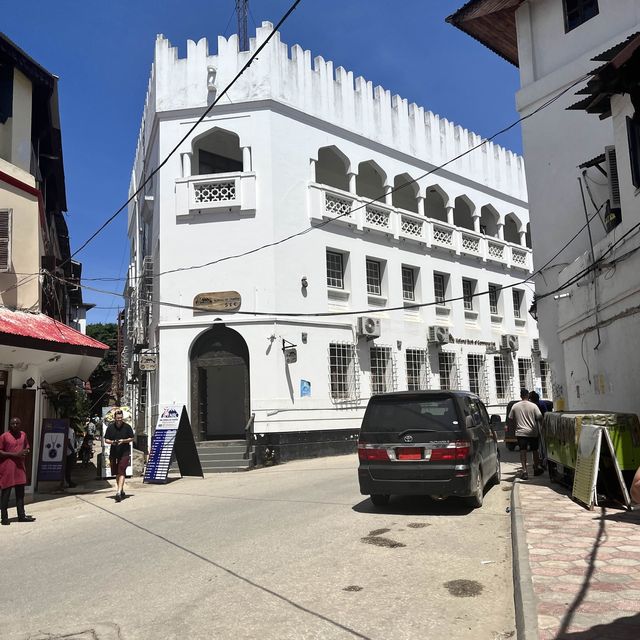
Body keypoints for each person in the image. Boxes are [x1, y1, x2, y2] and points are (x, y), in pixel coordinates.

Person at [0, 417, 35, 525]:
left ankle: (21, 515)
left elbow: (27, 447)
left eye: (17, 423)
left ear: (20, 424)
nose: (15, 425)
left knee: (20, 494)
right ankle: (4, 518)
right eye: (13, 423)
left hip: (20, 468)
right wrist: (14, 454)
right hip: (8, 468)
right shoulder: (4, 436)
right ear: (10, 425)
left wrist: (26, 451)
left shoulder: (23, 435)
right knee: (6, 493)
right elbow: (0, 451)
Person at [508, 388, 543, 480]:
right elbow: (540, 417)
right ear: (528, 396)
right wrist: (542, 428)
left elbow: (510, 419)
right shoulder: (534, 406)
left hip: (521, 432)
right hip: (533, 432)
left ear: (520, 396)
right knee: (535, 450)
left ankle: (524, 471)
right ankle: (536, 468)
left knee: (523, 451)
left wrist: (515, 426)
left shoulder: (515, 406)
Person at [104, 410, 134, 502]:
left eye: (121, 418)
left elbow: (132, 438)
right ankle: (121, 490)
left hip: (124, 452)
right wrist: (113, 442)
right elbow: (106, 440)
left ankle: (118, 492)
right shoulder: (110, 427)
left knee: (121, 470)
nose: (119, 420)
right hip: (114, 453)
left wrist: (123, 441)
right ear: (114, 418)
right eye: (118, 418)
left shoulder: (127, 427)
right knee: (117, 472)